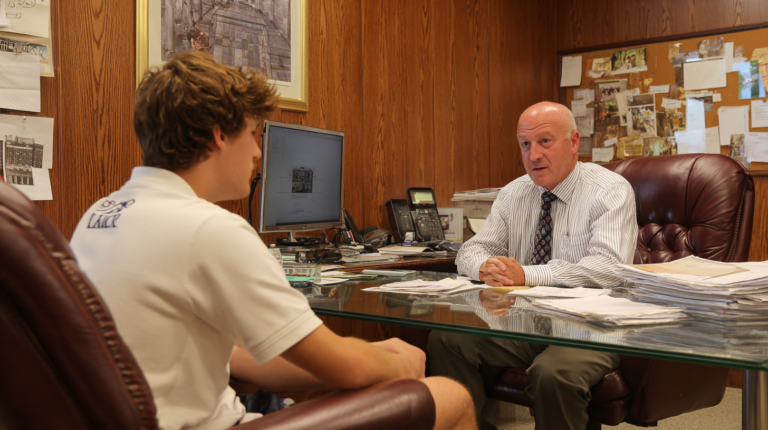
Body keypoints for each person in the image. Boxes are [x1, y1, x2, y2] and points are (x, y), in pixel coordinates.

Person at [70, 51, 476, 430]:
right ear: (218, 136)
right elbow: (346, 370)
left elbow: (233, 357)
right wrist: (395, 367)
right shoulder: (208, 229)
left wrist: (367, 356)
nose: (258, 153)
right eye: (252, 133)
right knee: (451, 396)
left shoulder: (99, 215)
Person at [428, 102, 638, 430]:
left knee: (554, 373)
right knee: (448, 339)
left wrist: (527, 274)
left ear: (573, 142)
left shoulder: (609, 191)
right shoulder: (514, 193)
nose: (534, 155)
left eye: (545, 141)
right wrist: (485, 267)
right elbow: (470, 250)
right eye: (525, 144)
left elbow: (608, 268)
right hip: (525, 321)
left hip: (591, 327)